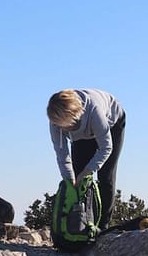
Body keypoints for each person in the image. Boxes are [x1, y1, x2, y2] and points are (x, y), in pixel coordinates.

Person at [47, 88, 126, 228]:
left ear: (74, 116)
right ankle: (79, 225)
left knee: (105, 176)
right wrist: (69, 179)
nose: (63, 130)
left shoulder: (94, 111)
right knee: (78, 178)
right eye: (60, 126)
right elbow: (62, 155)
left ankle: (103, 226)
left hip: (112, 125)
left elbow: (106, 148)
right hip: (82, 134)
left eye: (66, 126)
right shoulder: (56, 122)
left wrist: (88, 170)